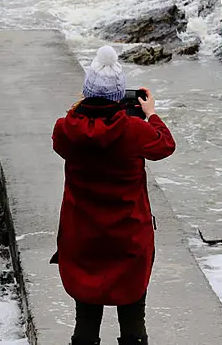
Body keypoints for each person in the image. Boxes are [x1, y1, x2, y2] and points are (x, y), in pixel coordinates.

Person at [51, 45, 176, 345]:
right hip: (128, 240)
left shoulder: (66, 129)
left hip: (83, 240)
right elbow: (166, 145)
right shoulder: (134, 131)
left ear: (87, 94)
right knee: (133, 325)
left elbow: (64, 137)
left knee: (86, 323)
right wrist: (151, 115)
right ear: (119, 95)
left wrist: (78, 108)